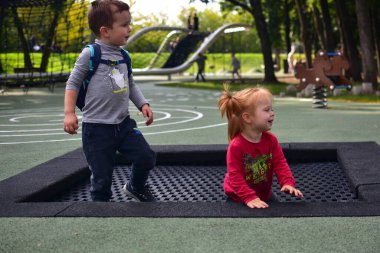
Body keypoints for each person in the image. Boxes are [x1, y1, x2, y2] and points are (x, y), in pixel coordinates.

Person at [64, 0, 156, 202]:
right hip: (96, 129)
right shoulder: (90, 54)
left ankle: (135, 186)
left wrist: (143, 104)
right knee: (101, 179)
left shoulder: (124, 56)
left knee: (146, 157)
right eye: (124, 25)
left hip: (123, 124)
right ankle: (99, 211)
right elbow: (73, 84)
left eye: (129, 23)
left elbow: (130, 84)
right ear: (105, 31)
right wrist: (69, 113)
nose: (129, 28)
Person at [218, 85, 303, 208]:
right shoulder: (236, 146)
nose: (272, 113)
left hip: (264, 193)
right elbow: (235, 176)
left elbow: (280, 163)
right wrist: (249, 197)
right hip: (239, 195)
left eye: (272, 109)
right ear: (247, 117)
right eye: (267, 110)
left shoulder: (271, 140)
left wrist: (287, 182)